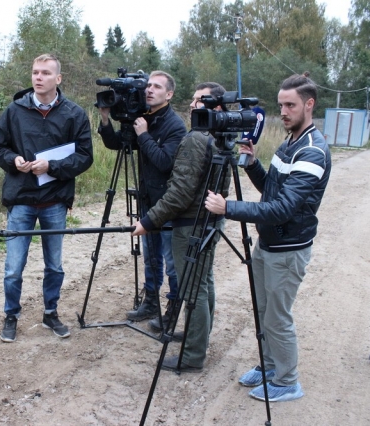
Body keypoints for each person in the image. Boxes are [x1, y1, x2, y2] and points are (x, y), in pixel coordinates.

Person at [205, 73, 332, 402]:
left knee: (277, 317)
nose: (284, 112)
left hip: (288, 249)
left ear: (309, 104)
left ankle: (288, 381)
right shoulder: (289, 141)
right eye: (280, 105)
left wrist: (227, 206)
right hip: (269, 244)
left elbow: (282, 209)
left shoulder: (313, 151)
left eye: (290, 105)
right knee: (265, 312)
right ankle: (270, 366)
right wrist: (251, 164)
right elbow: (271, 191)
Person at [0, 54, 93, 343]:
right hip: (21, 198)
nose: (38, 77)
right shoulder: (14, 111)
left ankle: (50, 313)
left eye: (46, 73)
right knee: (13, 267)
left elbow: (85, 157)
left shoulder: (74, 114)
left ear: (58, 79)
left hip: (54, 201)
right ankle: (11, 316)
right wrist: (14, 160)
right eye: (35, 72)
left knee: (55, 265)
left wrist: (53, 167)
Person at [132, 82, 230, 373]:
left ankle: (192, 355)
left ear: (218, 107)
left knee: (193, 289)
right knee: (204, 283)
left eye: (201, 100)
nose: (192, 105)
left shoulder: (196, 139)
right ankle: (196, 338)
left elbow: (179, 192)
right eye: (193, 98)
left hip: (191, 224)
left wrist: (149, 221)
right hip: (209, 219)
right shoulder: (220, 137)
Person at [98, 71, 186, 324]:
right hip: (147, 200)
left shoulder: (174, 125)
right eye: (148, 85)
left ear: (168, 94)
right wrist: (105, 121)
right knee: (151, 256)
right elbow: (119, 144)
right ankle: (150, 303)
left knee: (171, 261)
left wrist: (144, 135)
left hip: (169, 204)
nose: (149, 90)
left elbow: (164, 162)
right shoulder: (143, 118)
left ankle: (172, 310)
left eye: (157, 87)